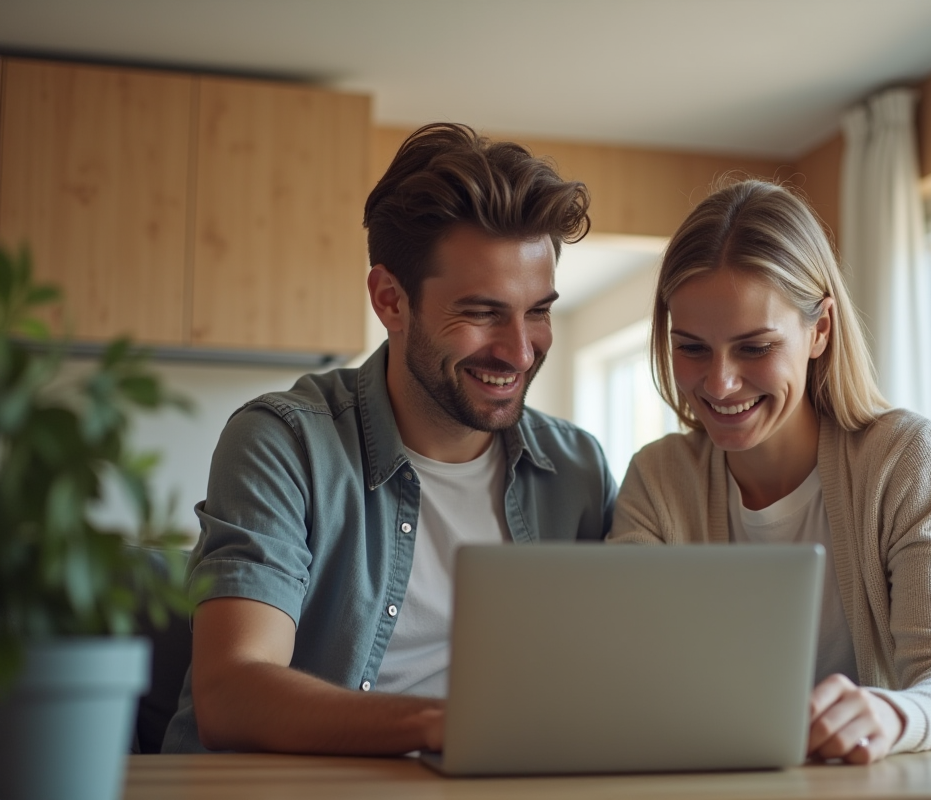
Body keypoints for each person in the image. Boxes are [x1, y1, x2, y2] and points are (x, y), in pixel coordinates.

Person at [162, 123, 617, 755]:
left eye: (538, 311)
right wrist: (441, 727)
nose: (519, 351)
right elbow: (233, 691)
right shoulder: (285, 443)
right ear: (390, 300)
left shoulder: (579, 470)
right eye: (483, 312)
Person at [608, 179, 931, 764]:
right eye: (691, 348)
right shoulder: (657, 481)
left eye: (755, 347)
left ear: (820, 330)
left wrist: (890, 713)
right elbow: (627, 678)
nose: (719, 383)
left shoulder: (906, 457)